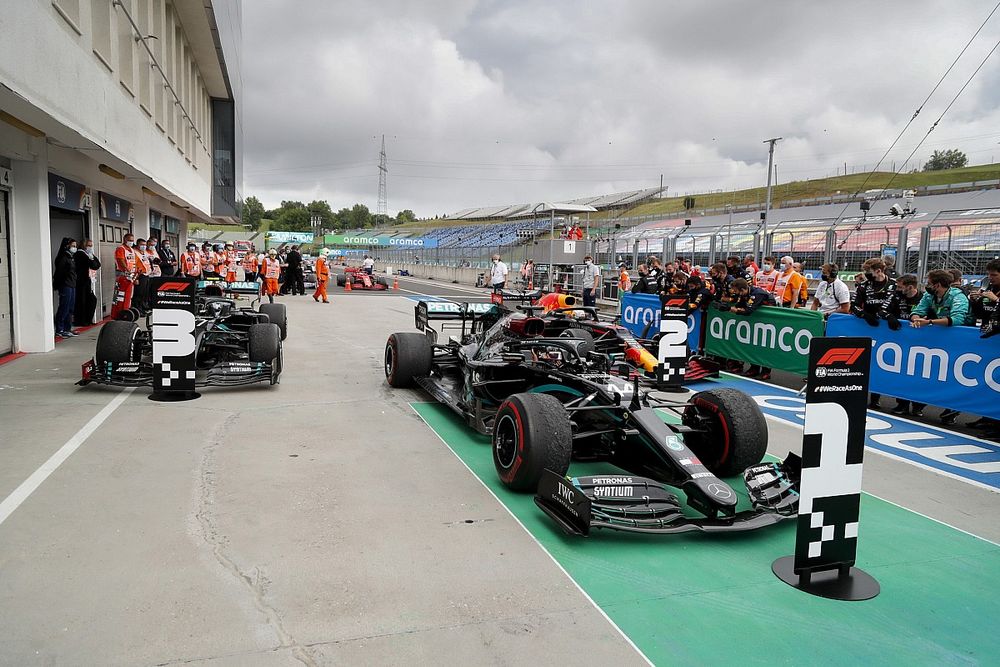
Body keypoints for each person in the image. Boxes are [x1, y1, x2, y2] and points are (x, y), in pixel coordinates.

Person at [910, 269, 972, 425]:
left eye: (929, 283)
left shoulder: (958, 296)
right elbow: (917, 310)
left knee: (955, 375)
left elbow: (957, 319)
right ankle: (922, 401)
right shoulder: (929, 295)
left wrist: (929, 322)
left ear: (937, 284)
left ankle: (953, 409)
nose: (926, 286)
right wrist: (917, 318)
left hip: (963, 343)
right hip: (939, 343)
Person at [881, 274, 926, 417]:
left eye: (900, 287)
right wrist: (890, 317)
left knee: (919, 374)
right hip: (899, 343)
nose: (897, 289)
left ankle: (918, 406)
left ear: (910, 287)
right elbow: (882, 310)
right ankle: (902, 404)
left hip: (921, 344)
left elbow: (932, 315)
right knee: (901, 373)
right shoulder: (895, 295)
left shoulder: (924, 298)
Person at [721, 278, 777, 379]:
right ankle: (754, 368)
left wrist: (731, 309)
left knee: (764, 346)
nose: (735, 293)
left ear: (742, 289)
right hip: (756, 323)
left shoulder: (757, 293)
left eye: (736, 291)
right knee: (752, 344)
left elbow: (748, 311)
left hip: (768, 323)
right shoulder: (744, 294)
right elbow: (740, 305)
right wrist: (725, 307)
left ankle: (766, 371)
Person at [52, 237, 78, 337]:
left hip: (72, 284)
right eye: (73, 246)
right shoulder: (63, 258)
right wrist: (58, 284)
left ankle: (67, 328)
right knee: (64, 307)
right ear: (67, 246)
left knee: (70, 308)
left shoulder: (71, 257)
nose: (75, 248)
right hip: (65, 285)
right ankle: (59, 329)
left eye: (75, 246)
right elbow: (59, 273)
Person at [73, 238, 101, 326]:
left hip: (87, 280)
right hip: (81, 281)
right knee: (82, 301)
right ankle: (81, 321)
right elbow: (93, 265)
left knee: (90, 300)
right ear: (84, 245)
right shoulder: (80, 254)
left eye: (91, 246)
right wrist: (91, 259)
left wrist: (92, 257)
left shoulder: (88, 254)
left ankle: (87, 320)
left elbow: (97, 264)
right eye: (89, 245)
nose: (90, 247)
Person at [111, 233, 138, 320]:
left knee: (129, 296)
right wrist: (127, 271)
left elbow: (134, 263)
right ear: (124, 240)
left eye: (132, 240)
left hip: (131, 276)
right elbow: (121, 260)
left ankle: (126, 309)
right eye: (129, 240)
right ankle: (119, 313)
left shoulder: (132, 250)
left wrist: (135, 276)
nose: (131, 242)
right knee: (121, 296)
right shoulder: (121, 249)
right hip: (123, 275)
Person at [134, 238, 152, 313]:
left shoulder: (144, 253)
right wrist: (136, 278)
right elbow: (134, 265)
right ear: (137, 245)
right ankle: (138, 309)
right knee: (139, 293)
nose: (144, 246)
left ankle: (142, 307)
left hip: (146, 275)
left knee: (145, 293)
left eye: (145, 245)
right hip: (140, 275)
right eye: (142, 245)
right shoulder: (135, 253)